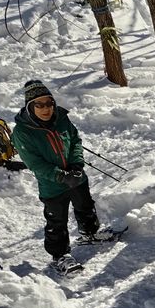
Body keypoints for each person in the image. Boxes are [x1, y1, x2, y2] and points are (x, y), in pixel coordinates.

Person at [12, 79, 114, 275]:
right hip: (52, 184)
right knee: (56, 220)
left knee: (85, 206)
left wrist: (76, 165)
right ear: (30, 106)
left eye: (49, 103)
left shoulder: (61, 118)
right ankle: (59, 255)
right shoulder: (22, 132)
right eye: (39, 105)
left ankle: (90, 232)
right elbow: (35, 163)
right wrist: (61, 176)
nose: (46, 109)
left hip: (76, 175)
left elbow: (75, 140)